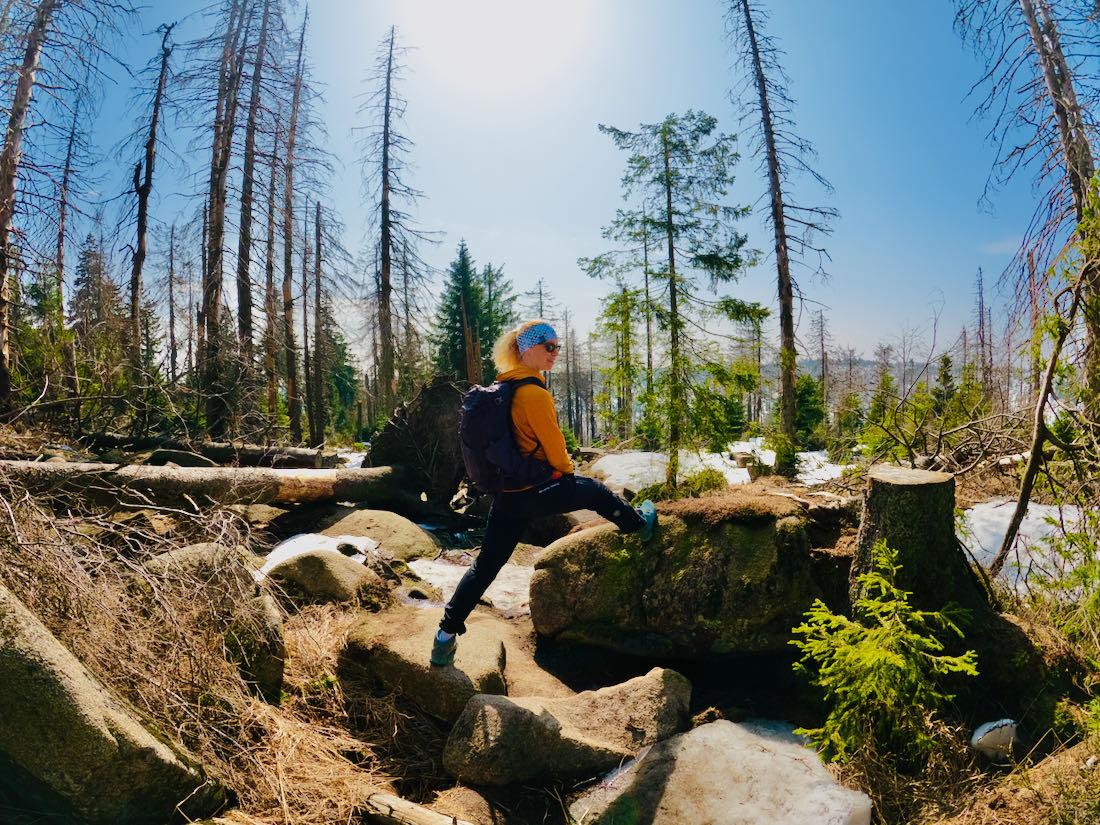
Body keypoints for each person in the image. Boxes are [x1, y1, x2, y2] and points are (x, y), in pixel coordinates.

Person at [431, 319, 657, 667]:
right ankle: (639, 525)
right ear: (528, 350)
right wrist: (565, 470)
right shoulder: (534, 394)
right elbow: (557, 454)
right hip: (536, 490)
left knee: (484, 567)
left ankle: (444, 637)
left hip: (508, 495)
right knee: (595, 491)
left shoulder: (504, 387)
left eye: (557, 347)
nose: (555, 352)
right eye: (549, 346)